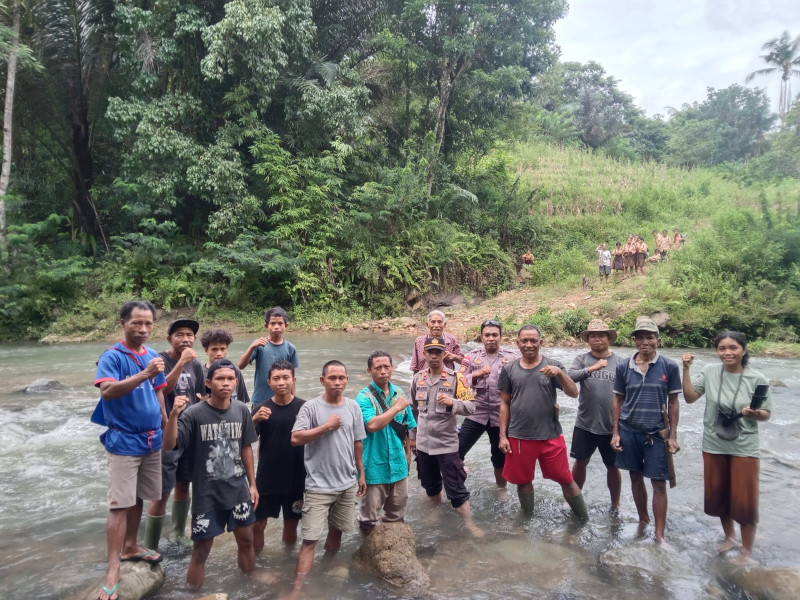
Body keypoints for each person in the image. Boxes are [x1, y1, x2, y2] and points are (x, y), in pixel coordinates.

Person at [92, 300, 166, 600]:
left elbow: (159, 391)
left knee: (138, 497)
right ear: (123, 322)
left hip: (151, 439)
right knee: (119, 504)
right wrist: (144, 374)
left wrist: (166, 420)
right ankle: (113, 568)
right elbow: (107, 391)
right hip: (123, 441)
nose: (144, 329)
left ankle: (131, 546)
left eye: (148, 323)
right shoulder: (112, 356)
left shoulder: (151, 355)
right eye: (137, 323)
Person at [162, 359, 259, 588]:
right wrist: (174, 414)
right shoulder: (194, 414)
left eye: (230, 379)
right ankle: (193, 593)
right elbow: (168, 445)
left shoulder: (242, 410)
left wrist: (253, 484)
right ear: (208, 382)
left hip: (238, 490)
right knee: (201, 551)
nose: (225, 383)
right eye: (219, 379)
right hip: (207, 495)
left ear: (236, 381)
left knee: (246, 541)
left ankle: (250, 588)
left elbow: (246, 447)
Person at [682, 331, 772, 564]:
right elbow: (690, 397)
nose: (727, 353)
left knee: (745, 500)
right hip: (713, 443)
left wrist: (754, 413)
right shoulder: (711, 372)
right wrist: (686, 370)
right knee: (718, 494)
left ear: (743, 350)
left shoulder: (757, 379)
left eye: (733, 348)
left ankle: (746, 551)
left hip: (745, 446)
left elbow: (765, 415)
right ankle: (730, 538)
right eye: (722, 348)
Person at [498, 325, 589, 520]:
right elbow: (504, 403)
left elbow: (574, 393)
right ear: (517, 343)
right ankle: (527, 520)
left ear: (541, 342)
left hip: (550, 435)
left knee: (566, 479)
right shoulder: (509, 369)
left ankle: (583, 520)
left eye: (533, 340)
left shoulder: (553, 365)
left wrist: (560, 374)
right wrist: (502, 436)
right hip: (519, 436)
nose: (529, 344)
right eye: (524, 341)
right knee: (523, 481)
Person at [290, 361, 367, 591]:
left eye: (341, 378)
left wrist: (361, 474)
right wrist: (325, 427)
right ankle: (298, 588)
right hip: (318, 485)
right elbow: (295, 438)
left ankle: (326, 570)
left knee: (337, 531)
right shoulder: (310, 408)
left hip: (346, 483)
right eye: (332, 378)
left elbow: (357, 443)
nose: (337, 382)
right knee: (310, 540)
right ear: (322, 380)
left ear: (347, 380)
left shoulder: (353, 407)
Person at [611, 316, 681, 542]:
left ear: (658, 340)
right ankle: (643, 521)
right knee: (635, 477)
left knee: (659, 483)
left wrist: (673, 436)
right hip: (629, 431)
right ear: (634, 341)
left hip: (656, 433)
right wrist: (615, 432)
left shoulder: (669, 366)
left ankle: (659, 536)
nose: (644, 342)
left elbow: (674, 402)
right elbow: (618, 400)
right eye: (639, 337)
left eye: (649, 337)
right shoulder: (624, 366)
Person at [410, 336, 482, 535]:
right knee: (430, 485)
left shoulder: (457, 378)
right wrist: (412, 437)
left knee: (457, 488)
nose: (434, 356)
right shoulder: (418, 378)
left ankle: (469, 523)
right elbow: (413, 409)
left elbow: (472, 407)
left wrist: (453, 403)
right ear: (424, 354)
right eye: (430, 352)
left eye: (438, 352)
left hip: (447, 444)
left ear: (444, 354)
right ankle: (436, 510)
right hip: (424, 445)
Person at [145, 318, 206, 550]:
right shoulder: (159, 361)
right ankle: (151, 545)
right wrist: (181, 362)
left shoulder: (197, 365)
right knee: (161, 491)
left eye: (190, 334)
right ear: (169, 338)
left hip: (189, 432)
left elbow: (202, 397)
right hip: (165, 432)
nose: (185, 339)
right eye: (179, 334)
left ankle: (179, 533)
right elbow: (162, 389)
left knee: (184, 484)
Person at [355, 351, 417, 532]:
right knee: (369, 518)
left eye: (386, 367)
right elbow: (372, 425)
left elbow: (408, 426)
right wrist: (397, 406)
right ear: (369, 371)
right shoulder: (364, 397)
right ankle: (367, 550)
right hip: (375, 464)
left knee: (397, 514)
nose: (383, 371)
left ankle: (394, 547)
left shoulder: (399, 392)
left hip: (398, 463)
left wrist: (408, 454)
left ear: (392, 368)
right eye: (378, 368)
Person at [458, 320, 519, 493]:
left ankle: (501, 490)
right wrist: (475, 374)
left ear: (500, 337)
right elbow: (458, 383)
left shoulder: (513, 357)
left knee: (500, 456)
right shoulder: (471, 357)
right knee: (457, 451)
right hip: (476, 413)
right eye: (487, 335)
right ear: (481, 337)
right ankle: (455, 485)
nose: (491, 338)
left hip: (502, 415)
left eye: (494, 335)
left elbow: (522, 382)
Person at [568, 320, 623, 510]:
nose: (597, 338)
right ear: (588, 339)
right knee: (580, 462)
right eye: (592, 335)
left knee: (613, 466)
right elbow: (570, 377)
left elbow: (629, 392)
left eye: (601, 335)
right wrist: (592, 368)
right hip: (585, 423)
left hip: (612, 426)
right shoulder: (582, 359)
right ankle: (574, 501)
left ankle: (615, 504)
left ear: (608, 338)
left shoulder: (621, 363)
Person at [252, 361, 306, 550]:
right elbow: (244, 442)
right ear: (269, 382)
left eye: (285, 377)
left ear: (293, 380)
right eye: (276, 378)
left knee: (291, 523)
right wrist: (254, 420)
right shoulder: (261, 408)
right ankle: (255, 561)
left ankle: (287, 561)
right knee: (257, 524)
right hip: (267, 476)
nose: (281, 382)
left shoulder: (305, 408)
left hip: (296, 476)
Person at [238, 307, 300, 409]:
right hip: (261, 400)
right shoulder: (259, 345)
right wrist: (252, 347)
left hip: (284, 400)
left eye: (280, 323)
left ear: (286, 325)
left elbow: (292, 377)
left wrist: (293, 400)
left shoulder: (290, 348)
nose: (276, 327)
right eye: (273, 323)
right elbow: (240, 365)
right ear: (266, 326)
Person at [200, 329, 250, 404]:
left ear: (227, 349)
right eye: (214, 349)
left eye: (222, 349)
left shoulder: (235, 371)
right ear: (206, 350)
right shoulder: (199, 373)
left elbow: (241, 402)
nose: (219, 353)